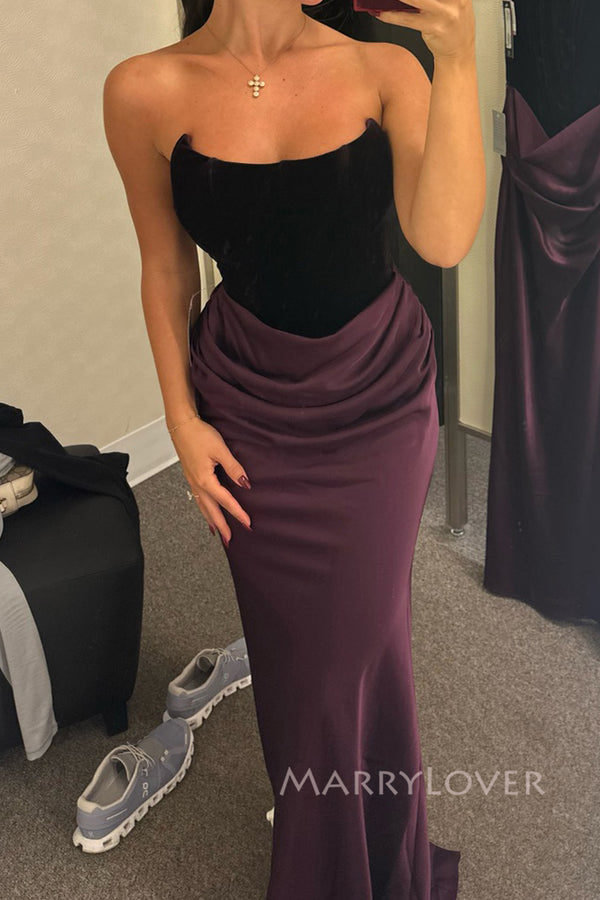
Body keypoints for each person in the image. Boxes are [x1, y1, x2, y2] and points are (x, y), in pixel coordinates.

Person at [103, 0, 485, 896]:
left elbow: (442, 238)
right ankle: (329, 818)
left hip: (378, 400)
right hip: (245, 405)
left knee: (359, 642)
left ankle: (352, 855)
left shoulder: (386, 70)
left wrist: (460, 59)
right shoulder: (142, 90)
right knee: (292, 648)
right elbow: (165, 266)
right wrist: (181, 421)